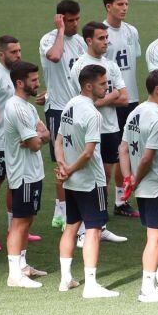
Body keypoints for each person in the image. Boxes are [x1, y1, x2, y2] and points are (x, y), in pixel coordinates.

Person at [54, 64, 117, 298]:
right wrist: (68, 169)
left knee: (71, 227)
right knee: (93, 230)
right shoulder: (93, 114)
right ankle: (91, 285)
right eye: (102, 83)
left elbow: (58, 141)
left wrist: (62, 166)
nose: (106, 87)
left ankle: (65, 279)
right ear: (89, 85)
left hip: (71, 183)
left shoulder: (69, 105)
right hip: (91, 181)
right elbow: (89, 152)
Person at [119, 70, 158, 302]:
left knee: (156, 234)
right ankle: (147, 288)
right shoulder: (157, 117)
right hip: (155, 185)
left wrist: (127, 179)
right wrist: (135, 180)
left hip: (142, 185)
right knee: (155, 236)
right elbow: (147, 158)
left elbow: (123, 149)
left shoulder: (136, 112)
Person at [70, 22, 130, 241]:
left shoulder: (111, 65)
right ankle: (82, 230)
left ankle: (99, 226)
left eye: (107, 37)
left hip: (110, 127)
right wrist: (110, 98)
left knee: (103, 177)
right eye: (101, 38)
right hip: (88, 130)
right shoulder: (79, 67)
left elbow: (124, 98)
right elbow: (78, 103)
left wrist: (105, 99)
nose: (106, 41)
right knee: (87, 178)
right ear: (88, 40)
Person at [0, 35, 33, 251]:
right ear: (1, 54)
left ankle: (14, 228)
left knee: (15, 184)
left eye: (19, 51)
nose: (18, 55)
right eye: (13, 52)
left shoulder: (16, 75)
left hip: (14, 143)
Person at [1, 60, 51, 288]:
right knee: (19, 223)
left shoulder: (29, 107)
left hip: (33, 173)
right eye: (33, 80)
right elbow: (35, 144)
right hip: (22, 174)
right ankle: (14, 275)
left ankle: (22, 266)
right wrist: (36, 137)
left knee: (28, 220)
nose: (37, 83)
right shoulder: (17, 108)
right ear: (20, 82)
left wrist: (37, 136)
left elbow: (46, 135)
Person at [39, 0, 87, 229]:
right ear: (60, 18)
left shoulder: (79, 42)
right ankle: (61, 208)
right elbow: (56, 57)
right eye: (69, 21)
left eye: (77, 19)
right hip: (58, 109)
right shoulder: (49, 40)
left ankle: (75, 206)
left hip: (79, 107)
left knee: (79, 156)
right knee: (62, 161)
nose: (74, 24)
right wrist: (60, 31)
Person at [103, 0, 143, 216]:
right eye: (120, 4)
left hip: (132, 99)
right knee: (110, 153)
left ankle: (121, 201)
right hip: (111, 103)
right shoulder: (102, 32)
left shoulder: (131, 32)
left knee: (126, 150)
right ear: (109, 7)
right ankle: (103, 199)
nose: (124, 8)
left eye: (126, 4)